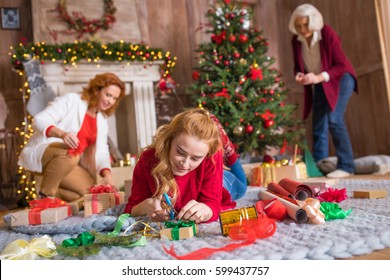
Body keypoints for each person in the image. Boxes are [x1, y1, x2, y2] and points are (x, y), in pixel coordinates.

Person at [124, 108, 246, 223]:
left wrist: (206, 210)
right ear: (169, 140)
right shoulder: (148, 159)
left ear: (206, 155)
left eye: (195, 158)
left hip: (224, 182)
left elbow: (213, 205)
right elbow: (130, 209)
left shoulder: (213, 156)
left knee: (242, 186)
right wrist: (145, 206)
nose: (184, 164)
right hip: (202, 174)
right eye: (180, 152)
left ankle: (228, 148)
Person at [18, 72, 126, 202]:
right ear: (97, 90)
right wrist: (62, 134)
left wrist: (107, 175)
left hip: (69, 162)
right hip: (49, 153)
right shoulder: (72, 100)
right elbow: (39, 120)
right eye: (108, 95)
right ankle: (46, 196)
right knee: (69, 153)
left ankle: (50, 191)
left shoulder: (101, 120)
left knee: (88, 193)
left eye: (114, 98)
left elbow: (102, 151)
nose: (110, 101)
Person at [289, 4, 357, 178]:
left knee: (334, 119)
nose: (302, 30)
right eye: (298, 26)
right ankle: (319, 166)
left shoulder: (326, 33)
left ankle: (347, 165)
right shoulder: (295, 41)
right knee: (318, 124)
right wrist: (300, 75)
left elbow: (341, 65)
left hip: (341, 79)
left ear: (313, 21)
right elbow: (299, 66)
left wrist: (318, 77)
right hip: (318, 82)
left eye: (305, 25)